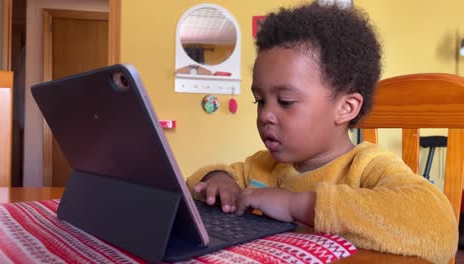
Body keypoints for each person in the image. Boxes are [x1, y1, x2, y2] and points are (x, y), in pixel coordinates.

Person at [186, 2, 457, 263]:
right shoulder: (262, 166)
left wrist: (300, 206)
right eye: (260, 100)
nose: (266, 115)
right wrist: (218, 180)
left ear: (346, 108)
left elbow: (438, 225)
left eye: (285, 101)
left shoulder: (367, 167)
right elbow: (191, 185)